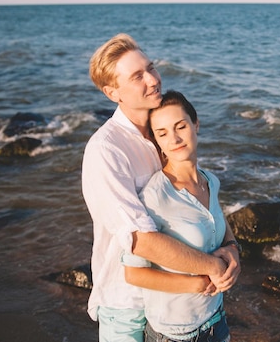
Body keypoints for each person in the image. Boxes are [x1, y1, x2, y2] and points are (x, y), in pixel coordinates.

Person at [82, 34, 240, 342]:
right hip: (127, 304)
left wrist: (233, 249)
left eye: (151, 67)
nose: (153, 79)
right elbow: (140, 241)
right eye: (137, 76)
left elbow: (197, 201)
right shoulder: (107, 150)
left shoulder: (163, 130)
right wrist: (212, 268)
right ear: (113, 92)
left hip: (175, 304)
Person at [122, 90, 238, 342]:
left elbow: (216, 222)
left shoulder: (211, 181)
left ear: (195, 124)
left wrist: (233, 249)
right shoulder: (154, 197)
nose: (174, 138)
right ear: (156, 141)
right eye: (162, 133)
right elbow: (134, 274)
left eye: (180, 126)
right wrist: (197, 284)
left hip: (216, 320)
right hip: (175, 334)